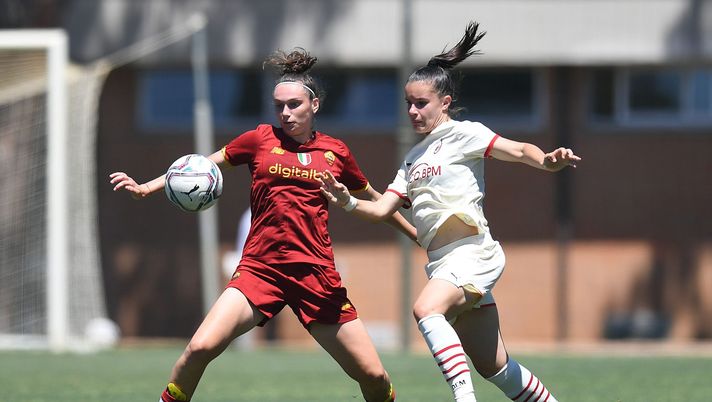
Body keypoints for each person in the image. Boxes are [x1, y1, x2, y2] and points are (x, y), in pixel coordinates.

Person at [110, 48, 416, 402]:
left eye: (294, 104)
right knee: (199, 348)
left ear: (314, 105)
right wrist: (147, 187)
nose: (285, 113)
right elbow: (197, 167)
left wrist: (416, 235)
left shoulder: (337, 152)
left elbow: (377, 200)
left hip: (315, 276)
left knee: (374, 376)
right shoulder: (258, 140)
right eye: (279, 106)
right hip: (261, 270)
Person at [319, 22, 580, 402]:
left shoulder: (465, 134)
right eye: (408, 103)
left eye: (421, 103)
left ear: (444, 103)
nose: (412, 110)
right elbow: (382, 211)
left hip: (474, 254)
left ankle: (463, 398)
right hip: (443, 264)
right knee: (496, 367)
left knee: (426, 309)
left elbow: (521, 150)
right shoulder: (411, 159)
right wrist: (346, 201)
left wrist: (548, 160)